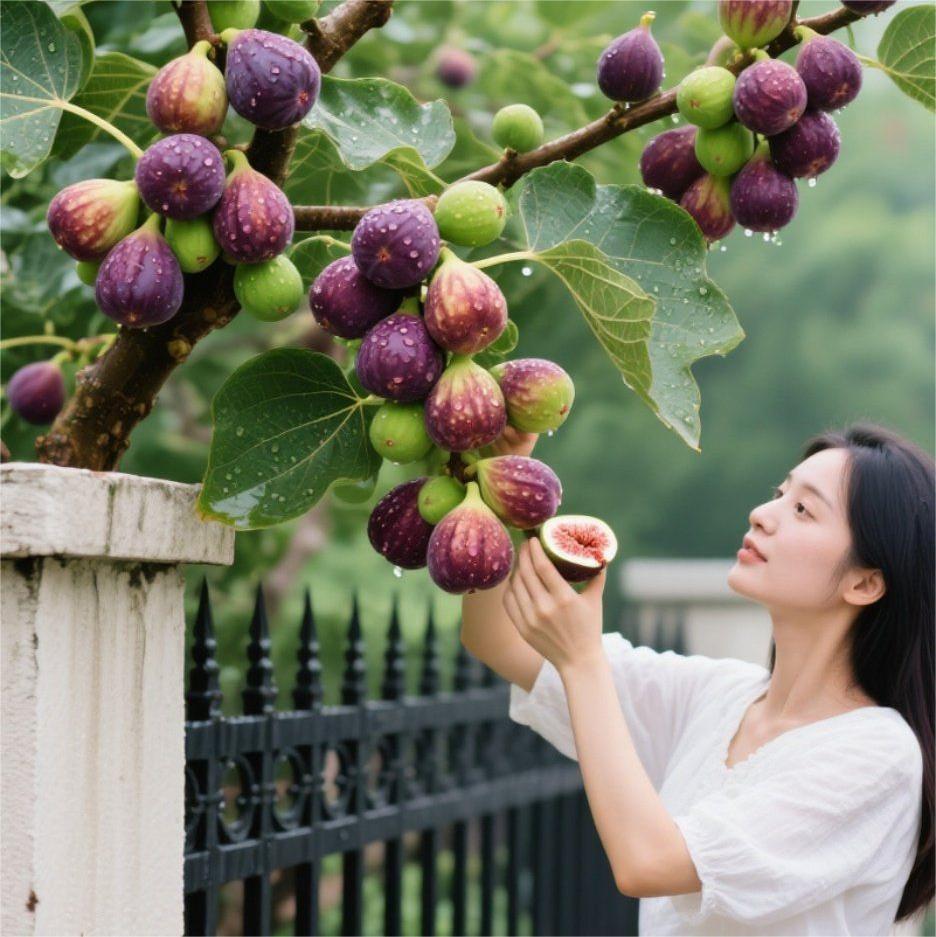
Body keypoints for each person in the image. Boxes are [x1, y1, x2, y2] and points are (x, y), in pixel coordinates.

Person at [460, 423, 933, 936]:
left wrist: (582, 661)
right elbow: (498, 640)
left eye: (803, 510)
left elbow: (649, 863)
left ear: (864, 582)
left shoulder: (877, 754)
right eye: (780, 493)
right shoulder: (717, 696)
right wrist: (492, 493)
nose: (762, 514)